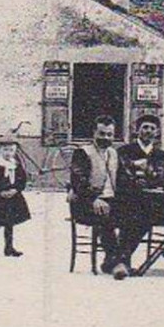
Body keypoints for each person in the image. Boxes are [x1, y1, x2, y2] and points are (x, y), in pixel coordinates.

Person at [115, 114, 164, 277]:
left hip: (157, 201)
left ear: (157, 132)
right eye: (145, 128)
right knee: (136, 217)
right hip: (132, 199)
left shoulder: (163, 155)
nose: (148, 131)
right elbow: (121, 178)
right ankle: (124, 260)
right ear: (137, 130)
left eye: (152, 128)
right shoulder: (125, 151)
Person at [68, 115, 123, 276]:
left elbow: (122, 179)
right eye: (102, 133)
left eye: (109, 134)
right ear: (94, 133)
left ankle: (113, 260)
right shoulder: (83, 153)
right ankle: (117, 261)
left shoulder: (114, 153)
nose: (106, 138)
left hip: (109, 200)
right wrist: (94, 199)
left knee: (133, 214)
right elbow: (78, 181)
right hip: (84, 202)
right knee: (105, 215)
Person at [0, 139, 30, 258]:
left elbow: (22, 180)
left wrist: (16, 190)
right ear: (0, 151)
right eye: (5, 150)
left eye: (11, 150)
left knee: (9, 223)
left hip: (12, 198)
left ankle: (8, 247)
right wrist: (0, 192)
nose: (8, 153)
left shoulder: (16, 166)